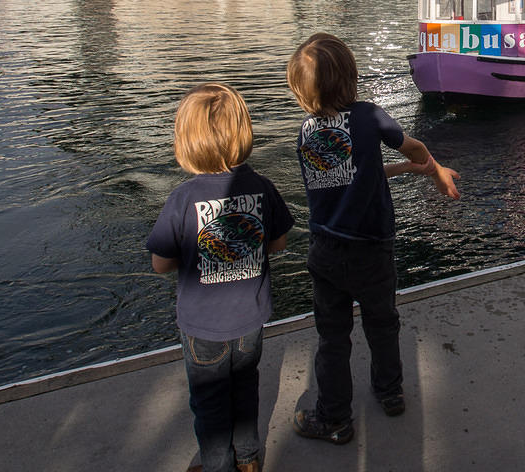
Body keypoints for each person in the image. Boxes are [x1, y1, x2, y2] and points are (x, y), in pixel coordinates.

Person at [287, 33, 459, 445]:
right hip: (373, 249)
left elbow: (351, 178)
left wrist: (408, 171)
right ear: (351, 76)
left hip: (327, 250)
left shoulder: (306, 135)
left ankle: (334, 419)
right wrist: (431, 168)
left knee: (333, 338)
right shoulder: (369, 116)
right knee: (383, 324)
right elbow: (414, 146)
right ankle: (390, 392)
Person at [146, 83, 294, 472]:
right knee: (245, 391)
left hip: (202, 328)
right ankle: (248, 459)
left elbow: (160, 264)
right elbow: (277, 243)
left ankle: (217, 465)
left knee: (209, 404)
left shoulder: (182, 198)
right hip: (251, 321)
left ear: (186, 143)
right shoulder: (262, 187)